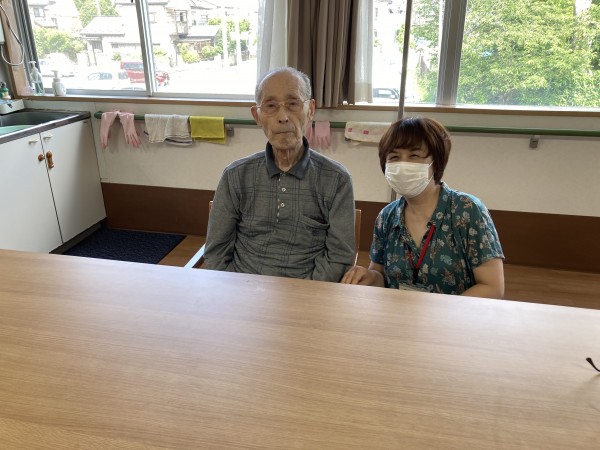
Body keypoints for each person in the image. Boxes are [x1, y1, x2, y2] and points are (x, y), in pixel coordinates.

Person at [203, 67, 355, 281]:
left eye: (293, 104)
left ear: (310, 110)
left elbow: (339, 257)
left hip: (307, 292)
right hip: (242, 289)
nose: (283, 117)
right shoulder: (235, 176)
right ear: (257, 115)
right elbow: (216, 253)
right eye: (271, 106)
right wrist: (235, 291)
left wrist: (307, 294)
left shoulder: (337, 179)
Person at [341, 117, 505, 298]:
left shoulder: (467, 210)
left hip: (456, 315)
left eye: (414, 156)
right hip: (398, 313)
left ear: (436, 161)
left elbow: (492, 288)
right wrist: (369, 277)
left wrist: (441, 314)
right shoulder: (387, 217)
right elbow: (381, 276)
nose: (403, 164)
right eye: (394, 157)